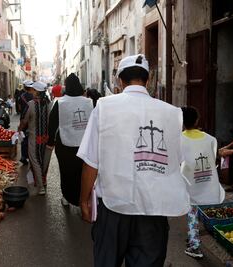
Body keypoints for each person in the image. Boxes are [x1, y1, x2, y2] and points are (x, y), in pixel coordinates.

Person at [77, 54, 190, 267]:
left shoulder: (104, 107)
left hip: (113, 207)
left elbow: (91, 162)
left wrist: (84, 201)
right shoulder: (172, 114)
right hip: (154, 208)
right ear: (149, 81)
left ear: (120, 81)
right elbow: (175, 163)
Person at [180, 106, 225, 259]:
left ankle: (194, 245)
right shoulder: (211, 139)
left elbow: (178, 162)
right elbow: (213, 158)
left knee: (192, 212)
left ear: (181, 122)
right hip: (207, 179)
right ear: (197, 120)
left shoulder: (179, 139)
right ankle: (198, 236)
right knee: (206, 208)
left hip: (191, 180)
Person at [47, 73, 93, 207]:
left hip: (65, 145)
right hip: (85, 144)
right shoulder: (89, 102)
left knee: (66, 171)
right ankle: (83, 199)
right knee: (82, 172)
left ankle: (66, 197)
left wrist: (50, 142)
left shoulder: (60, 102)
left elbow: (52, 123)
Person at [18, 81, 50, 195]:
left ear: (36, 91)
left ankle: (41, 187)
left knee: (35, 160)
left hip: (34, 137)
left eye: (33, 90)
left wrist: (19, 129)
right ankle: (43, 181)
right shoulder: (48, 103)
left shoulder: (31, 104)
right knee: (43, 160)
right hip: (45, 138)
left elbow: (24, 120)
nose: (31, 92)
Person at [18, 80, 34, 165]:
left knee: (24, 138)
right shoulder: (34, 96)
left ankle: (23, 157)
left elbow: (20, 108)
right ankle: (32, 157)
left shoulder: (21, 96)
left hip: (23, 119)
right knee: (32, 138)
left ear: (24, 87)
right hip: (32, 119)